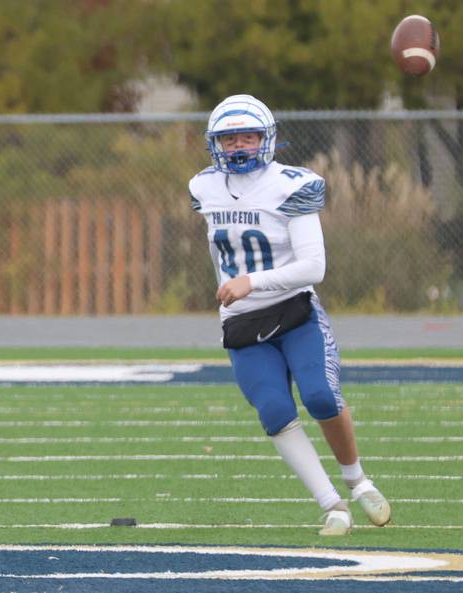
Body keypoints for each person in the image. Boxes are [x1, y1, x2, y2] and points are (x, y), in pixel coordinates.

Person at [188, 94, 390, 536]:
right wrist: (236, 289)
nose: (239, 146)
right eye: (228, 139)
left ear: (267, 139)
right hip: (241, 321)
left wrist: (251, 281)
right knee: (275, 410)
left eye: (248, 136)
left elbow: (314, 267)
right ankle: (332, 504)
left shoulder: (292, 184)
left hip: (294, 311)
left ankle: (357, 480)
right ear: (214, 144)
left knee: (320, 396)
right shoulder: (202, 186)